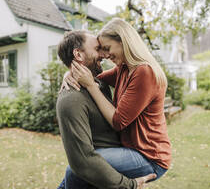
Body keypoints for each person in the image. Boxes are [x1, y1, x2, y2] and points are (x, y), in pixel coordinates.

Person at [67, 18, 172, 187]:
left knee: (77, 169)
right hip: (129, 150)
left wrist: (90, 85)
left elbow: (118, 121)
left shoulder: (144, 72)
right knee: (81, 168)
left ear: (124, 41)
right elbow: (93, 78)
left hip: (150, 157)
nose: (105, 55)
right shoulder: (123, 69)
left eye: (107, 48)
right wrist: (71, 72)